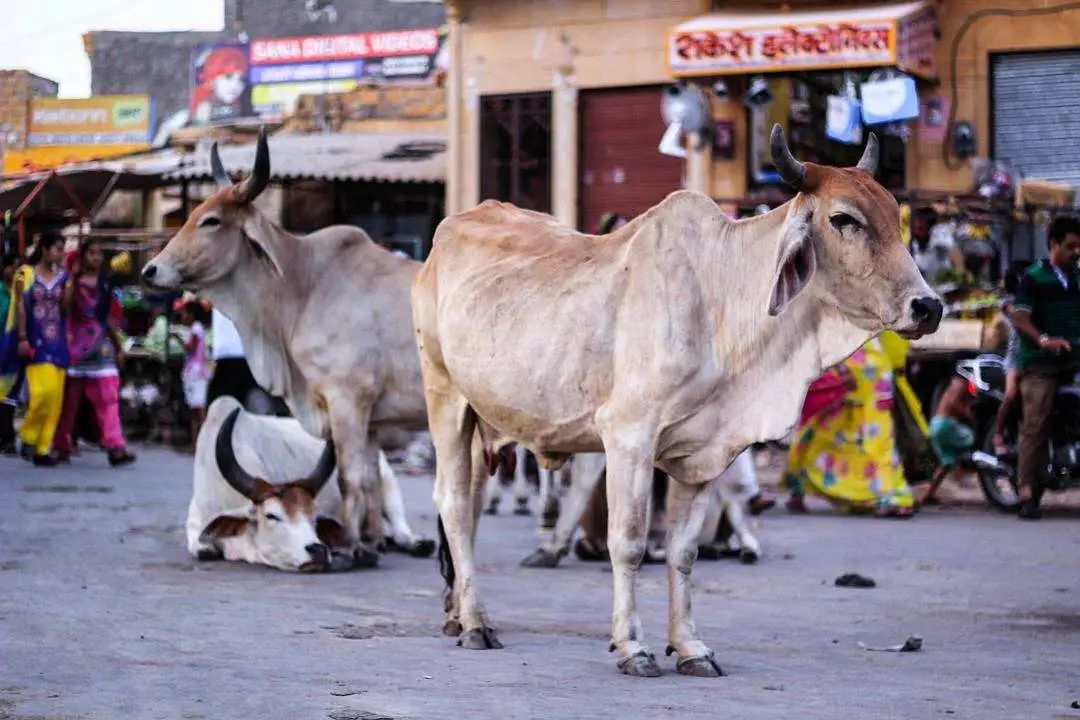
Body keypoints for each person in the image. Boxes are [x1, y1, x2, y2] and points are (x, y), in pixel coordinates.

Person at [784, 337, 916, 517]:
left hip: (871, 371)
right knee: (831, 428)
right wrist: (842, 370)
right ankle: (885, 495)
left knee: (869, 435)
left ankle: (887, 495)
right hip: (856, 368)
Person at [1010, 215, 1080, 519]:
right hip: (1040, 365)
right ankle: (1026, 490)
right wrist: (1044, 339)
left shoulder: (1076, 278)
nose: (1077, 252)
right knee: (1035, 423)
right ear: (1054, 244)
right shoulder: (1034, 277)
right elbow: (1019, 316)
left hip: (1072, 361)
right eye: (1071, 246)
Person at [53, 241, 135, 466]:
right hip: (75, 347)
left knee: (109, 398)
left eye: (99, 253)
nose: (96, 258)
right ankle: (62, 445)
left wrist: (118, 347)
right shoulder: (73, 282)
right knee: (69, 402)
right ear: (83, 257)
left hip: (101, 346)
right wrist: (72, 279)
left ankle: (115, 446)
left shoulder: (105, 283)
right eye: (91, 253)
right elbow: (65, 308)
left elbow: (107, 318)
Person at [17, 234, 70, 466]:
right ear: (45, 250)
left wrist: (69, 283)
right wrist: (22, 336)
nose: (61, 253)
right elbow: (20, 305)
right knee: (42, 393)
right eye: (58, 249)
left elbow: (66, 307)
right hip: (35, 339)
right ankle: (28, 435)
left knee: (56, 399)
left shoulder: (63, 277)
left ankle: (42, 449)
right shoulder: (25, 273)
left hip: (58, 340)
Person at [919, 374, 976, 505]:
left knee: (946, 463)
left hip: (937, 424)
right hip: (944, 424)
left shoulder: (957, 383)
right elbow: (952, 402)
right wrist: (968, 414)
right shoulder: (960, 382)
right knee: (971, 438)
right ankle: (964, 471)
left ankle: (928, 495)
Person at [992, 269, 1024, 455]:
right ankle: (998, 433)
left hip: (1032, 357)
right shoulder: (1008, 303)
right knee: (1010, 394)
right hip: (1014, 358)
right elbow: (1020, 317)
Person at [179, 296, 212, 447]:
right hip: (194, 372)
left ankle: (203, 443)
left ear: (191, 314)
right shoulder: (195, 328)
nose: (182, 316)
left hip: (197, 373)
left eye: (184, 313)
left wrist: (177, 339)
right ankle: (195, 442)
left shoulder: (196, 328)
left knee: (198, 410)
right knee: (195, 409)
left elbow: (191, 348)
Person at [0, 252, 21, 453]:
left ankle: (7, 438)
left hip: (14, 352)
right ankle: (7, 437)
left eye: (18, 268)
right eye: (11, 267)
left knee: (9, 396)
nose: (15, 272)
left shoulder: (22, 292)